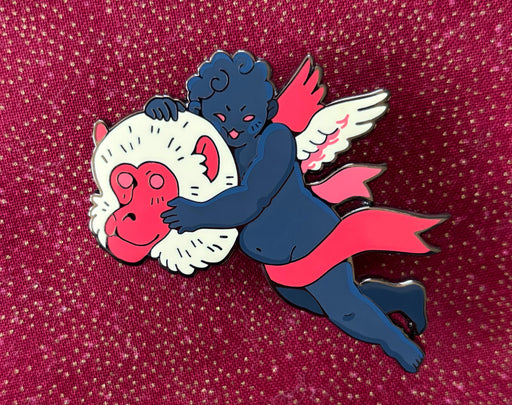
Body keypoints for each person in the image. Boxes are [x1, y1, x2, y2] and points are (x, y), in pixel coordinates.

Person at [145, 50, 426, 372]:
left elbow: (252, 199)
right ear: (201, 113)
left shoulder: (275, 139)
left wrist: (198, 215)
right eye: (221, 118)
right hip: (275, 264)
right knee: (330, 303)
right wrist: (163, 112)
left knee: (344, 309)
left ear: (266, 111)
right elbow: (174, 143)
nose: (234, 129)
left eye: (247, 119)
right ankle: (403, 297)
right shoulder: (209, 146)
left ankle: (396, 343)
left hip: (313, 240)